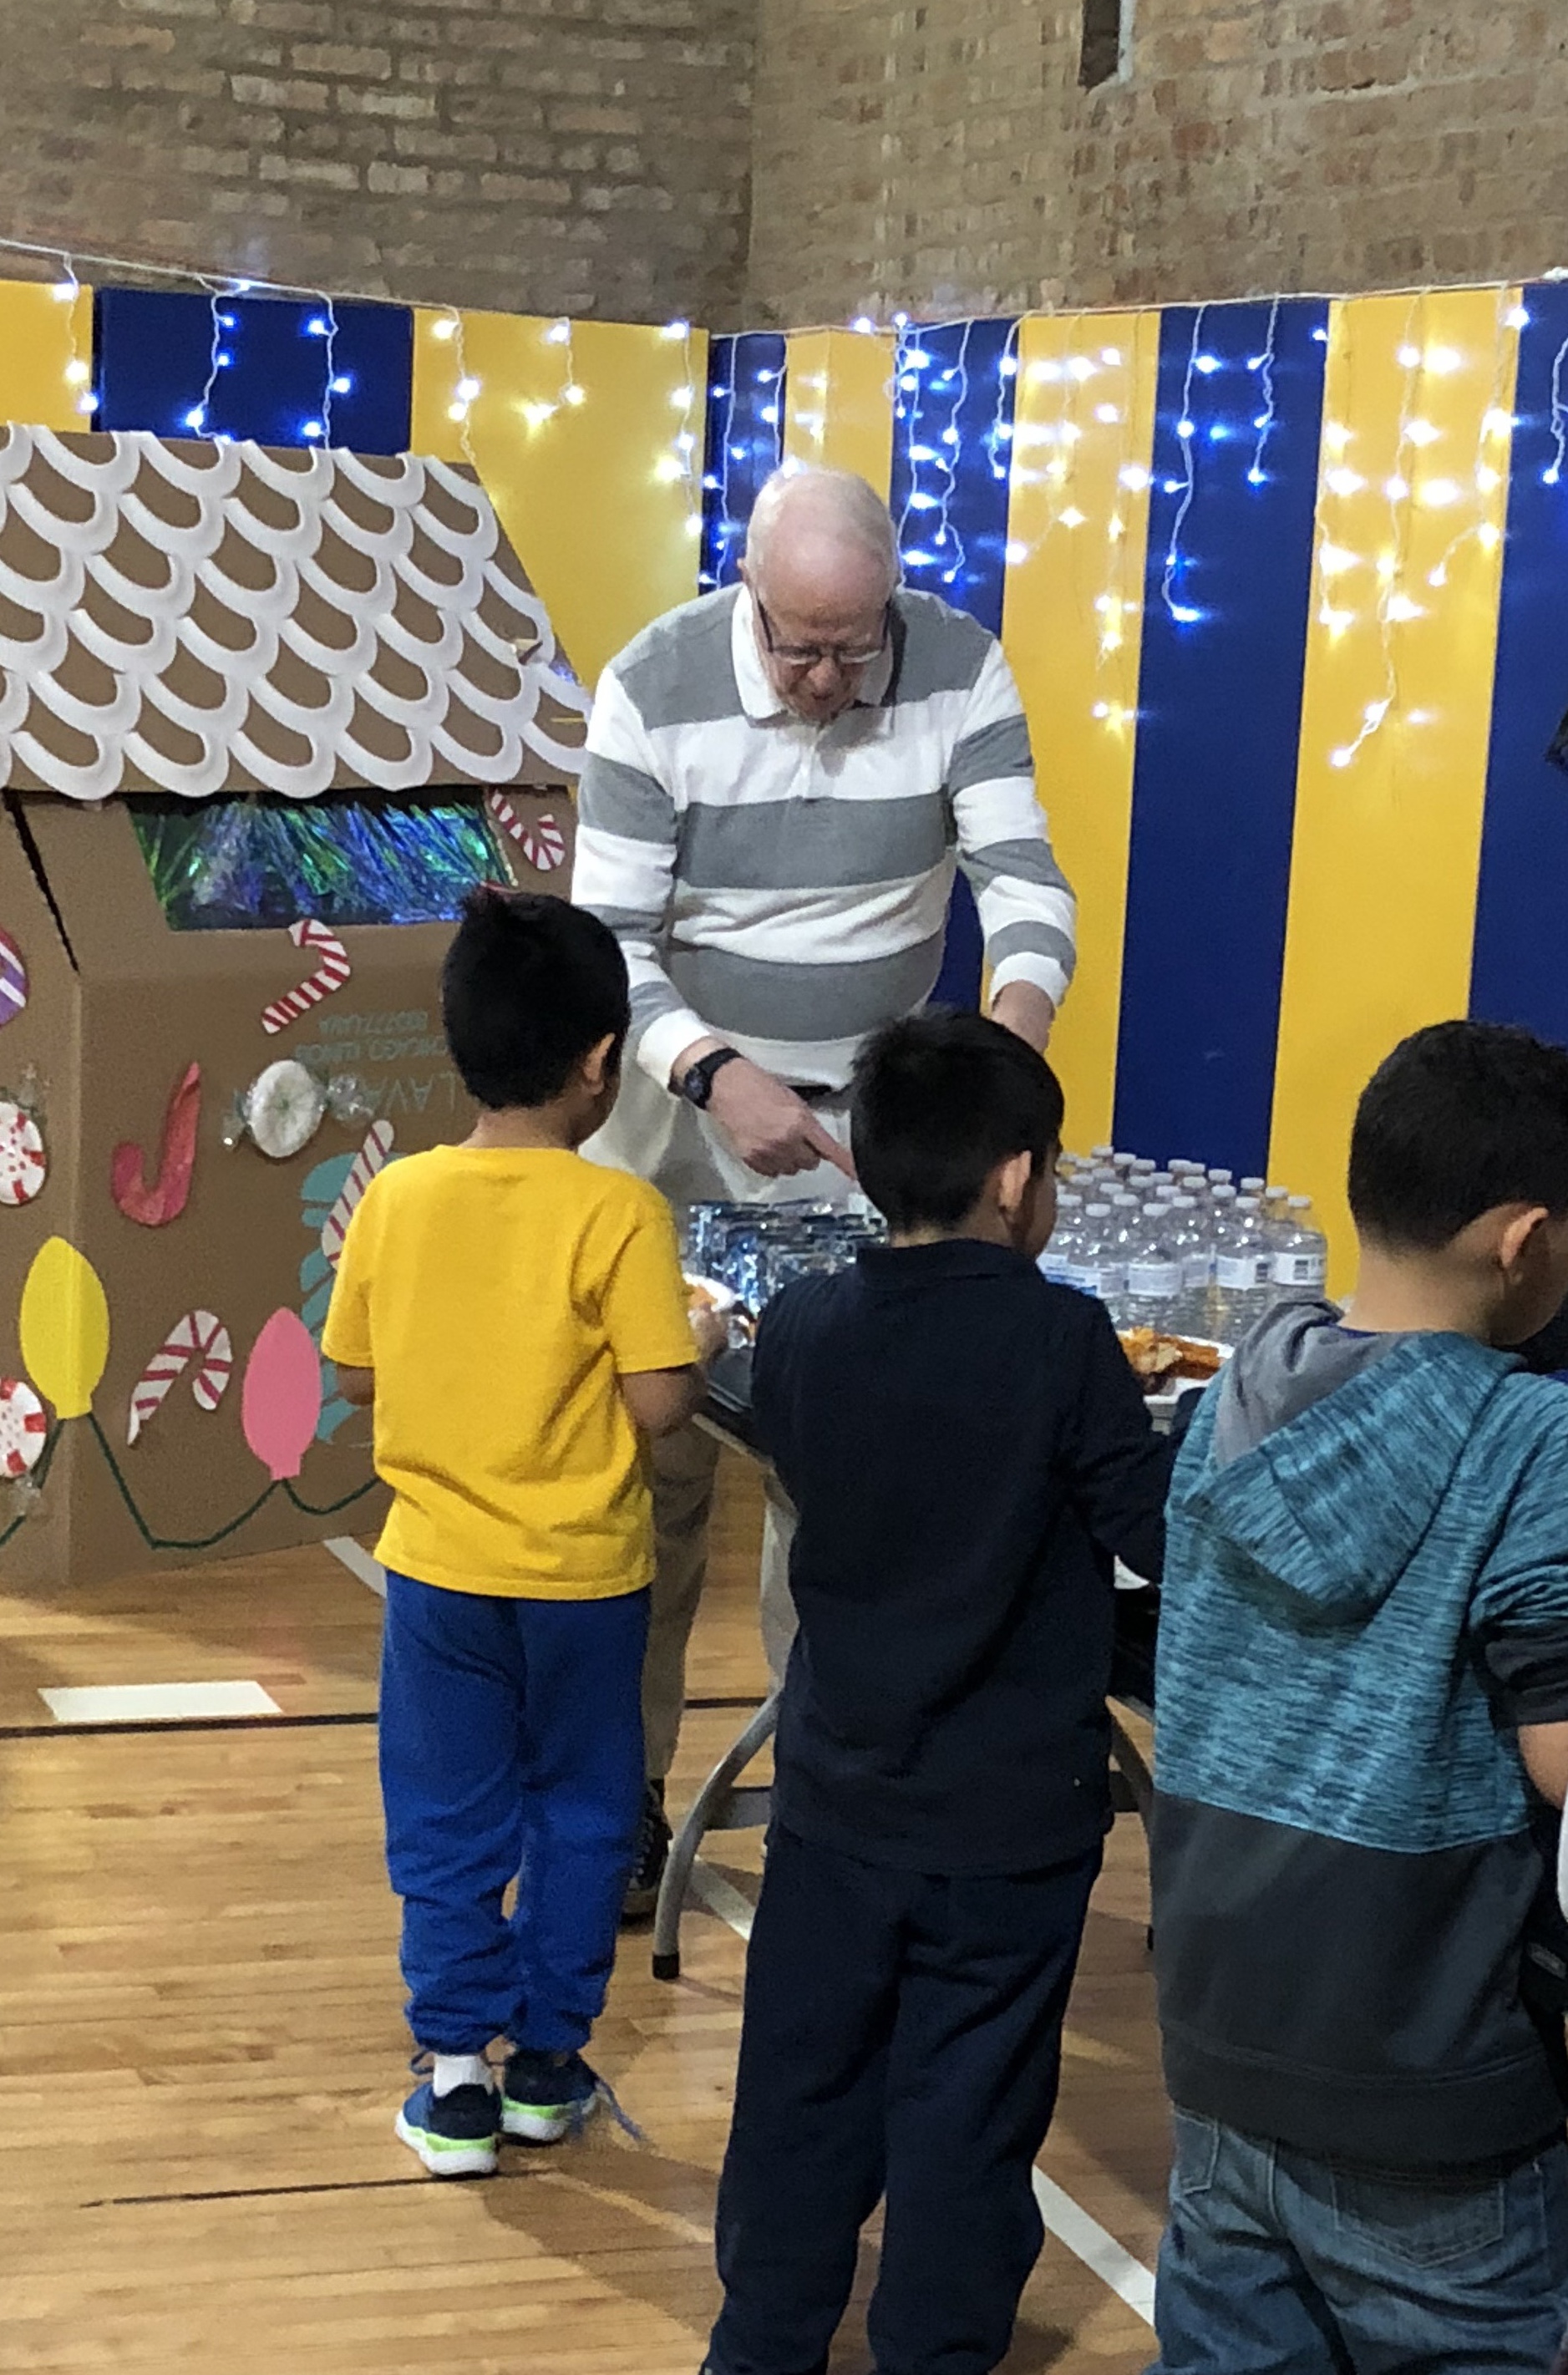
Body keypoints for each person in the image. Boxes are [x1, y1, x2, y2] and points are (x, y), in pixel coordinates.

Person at [573, 464, 1078, 1913]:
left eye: (853, 649)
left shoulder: (960, 665)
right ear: (746, 596)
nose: (823, 678)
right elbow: (609, 938)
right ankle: (621, 1805)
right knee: (654, 1478)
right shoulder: (650, 686)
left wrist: (998, 1051)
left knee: (839, 1480)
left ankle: (825, 1811)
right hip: (677, 1121)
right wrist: (715, 1070)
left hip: (874, 1137)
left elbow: (1025, 882)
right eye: (796, 645)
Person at [703, 1011, 1169, 2375]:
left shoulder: (799, 1325)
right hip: (1008, 1822)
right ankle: (931, 2351)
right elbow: (1149, 1533)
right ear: (1017, 1177)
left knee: (798, 2097)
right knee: (968, 2113)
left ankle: (760, 2344)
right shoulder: (1063, 1338)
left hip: (837, 1798)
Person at [1148, 1018, 1568, 2375]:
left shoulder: (1227, 1403)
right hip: (1428, 2076)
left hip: (1220, 2035)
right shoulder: (1530, 1436)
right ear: (1523, 1241)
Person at [321, 887, 723, 2178]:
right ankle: (548, 2065)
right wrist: (702, 1336)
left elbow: (359, 1378)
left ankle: (451, 2083)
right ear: (604, 1062)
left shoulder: (396, 1199)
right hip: (588, 1585)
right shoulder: (619, 1215)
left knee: (444, 1816)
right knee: (582, 1814)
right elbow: (661, 1408)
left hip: (437, 1579)